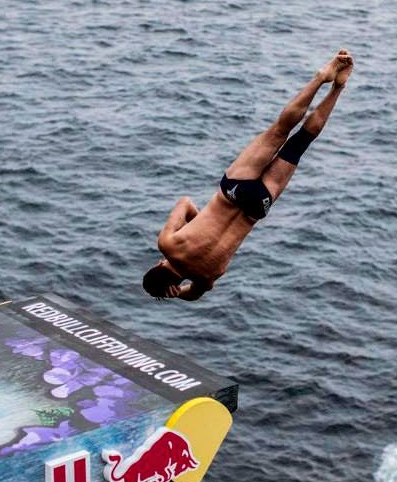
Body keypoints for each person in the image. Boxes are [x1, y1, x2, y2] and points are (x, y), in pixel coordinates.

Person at [143, 50, 354, 300]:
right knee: (279, 130)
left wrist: (178, 293)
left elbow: (194, 295)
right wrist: (201, 224)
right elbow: (185, 202)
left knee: (300, 144)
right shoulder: (168, 245)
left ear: (173, 285)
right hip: (233, 191)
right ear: (158, 265)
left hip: (257, 206)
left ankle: (338, 88)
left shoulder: (207, 275)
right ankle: (321, 77)